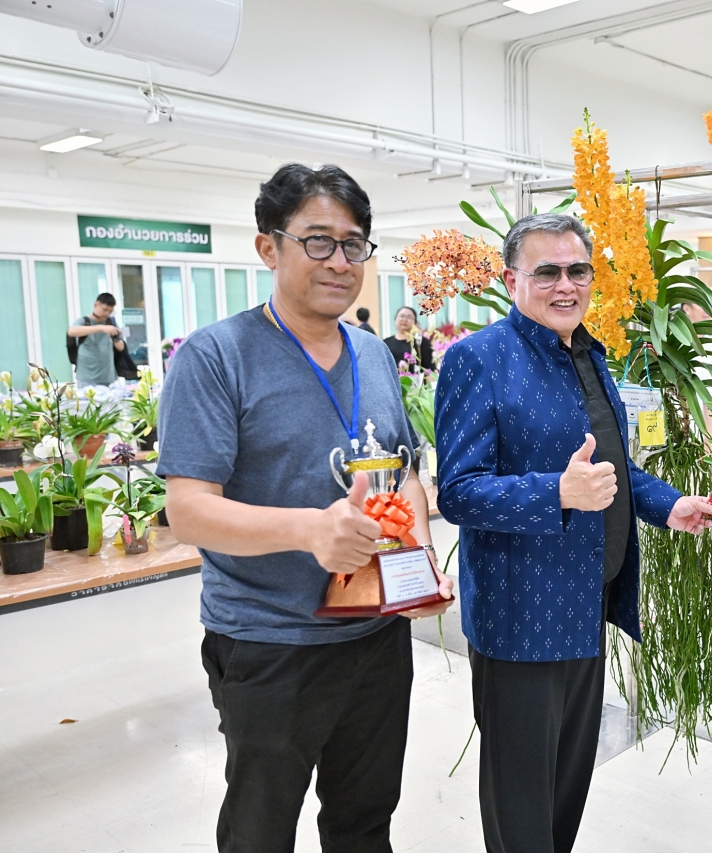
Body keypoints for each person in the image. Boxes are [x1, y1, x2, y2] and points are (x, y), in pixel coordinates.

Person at [157, 163, 454, 853]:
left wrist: (420, 560)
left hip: (377, 635)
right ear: (269, 247)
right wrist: (312, 530)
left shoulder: (373, 354)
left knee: (364, 822)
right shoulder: (216, 357)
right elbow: (188, 511)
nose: (340, 261)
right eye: (318, 241)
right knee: (260, 831)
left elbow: (404, 471)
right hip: (271, 640)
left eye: (354, 244)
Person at [434, 213, 712, 853]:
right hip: (521, 618)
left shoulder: (589, 355)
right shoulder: (478, 359)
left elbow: (612, 467)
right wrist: (556, 493)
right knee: (520, 800)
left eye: (578, 270)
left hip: (589, 604)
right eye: (547, 272)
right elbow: (456, 492)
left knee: (567, 785)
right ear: (511, 280)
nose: (566, 285)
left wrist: (669, 505)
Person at [68, 292, 125, 387]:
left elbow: (121, 347)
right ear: (96, 305)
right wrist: (101, 328)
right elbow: (71, 331)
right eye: (105, 310)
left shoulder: (111, 323)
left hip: (108, 377)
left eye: (110, 311)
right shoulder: (84, 321)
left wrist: (115, 337)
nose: (107, 314)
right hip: (87, 377)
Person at [384, 305, 434, 372]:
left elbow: (430, 369)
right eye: (402, 316)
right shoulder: (386, 343)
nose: (405, 320)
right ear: (395, 319)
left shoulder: (421, 342)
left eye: (409, 317)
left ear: (415, 322)